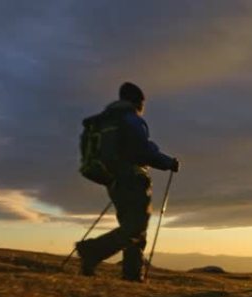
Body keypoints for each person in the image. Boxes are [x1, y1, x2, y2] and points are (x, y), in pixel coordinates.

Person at [76, 82, 180, 281]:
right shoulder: (130, 119)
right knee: (135, 227)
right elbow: (143, 151)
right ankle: (91, 251)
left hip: (112, 180)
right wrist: (168, 162)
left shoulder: (106, 120)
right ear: (138, 101)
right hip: (132, 179)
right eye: (143, 102)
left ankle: (132, 275)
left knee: (131, 225)